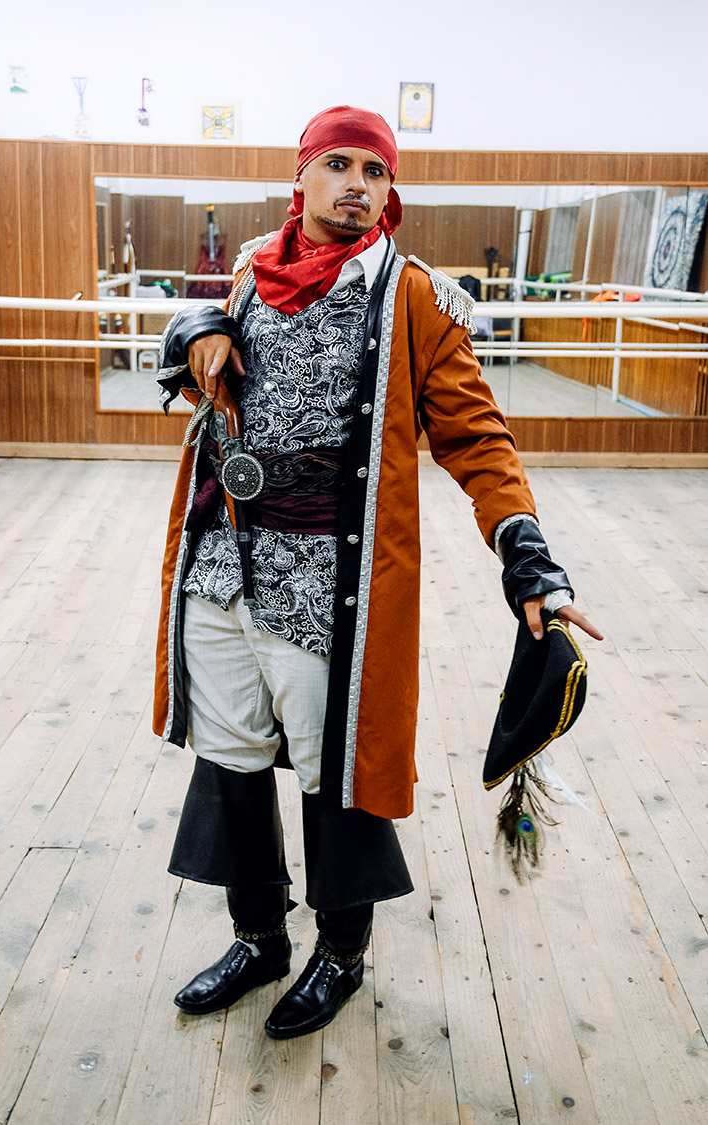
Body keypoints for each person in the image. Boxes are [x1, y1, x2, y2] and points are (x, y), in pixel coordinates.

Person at [153, 105, 602, 1040]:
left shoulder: (415, 297)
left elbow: (477, 436)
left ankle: (341, 953)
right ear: (302, 176)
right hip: (223, 561)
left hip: (333, 581)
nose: (357, 184)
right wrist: (194, 329)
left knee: (335, 772)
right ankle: (258, 937)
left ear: (389, 189)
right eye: (339, 165)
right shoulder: (250, 269)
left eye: (375, 170)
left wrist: (527, 555)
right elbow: (202, 359)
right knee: (231, 757)